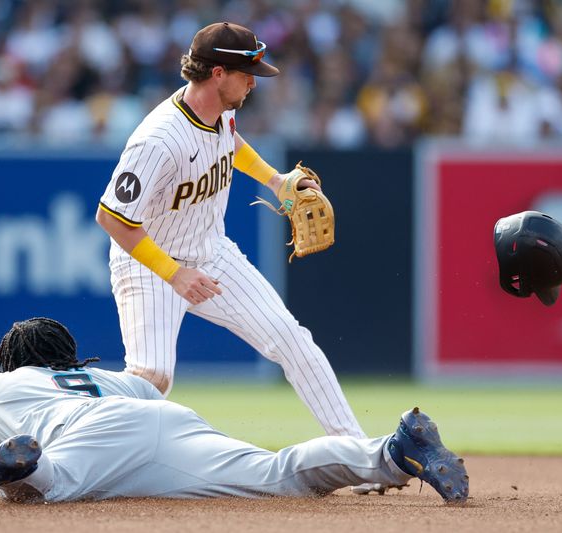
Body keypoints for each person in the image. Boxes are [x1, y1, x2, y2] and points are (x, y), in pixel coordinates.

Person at [94, 21, 379, 490]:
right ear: (218, 72)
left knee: (291, 338)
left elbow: (232, 143)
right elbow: (113, 219)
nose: (254, 81)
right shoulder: (158, 140)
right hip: (150, 265)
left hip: (211, 251)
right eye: (247, 73)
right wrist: (174, 274)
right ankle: (68, 431)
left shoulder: (220, 110)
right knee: (151, 380)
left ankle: (357, 456)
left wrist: (276, 181)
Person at [0, 317, 469, 504]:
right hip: (165, 420)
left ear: (8, 361)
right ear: (68, 358)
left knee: (49, 484)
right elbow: (152, 385)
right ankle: (393, 452)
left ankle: (16, 465)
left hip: (81, 440)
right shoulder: (107, 378)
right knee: (277, 472)